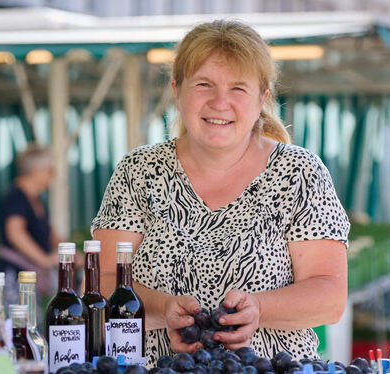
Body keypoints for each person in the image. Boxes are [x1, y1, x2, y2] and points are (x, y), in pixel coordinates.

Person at [91, 20, 350, 363]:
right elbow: (101, 282)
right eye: (204, 84)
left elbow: (330, 297)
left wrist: (259, 308)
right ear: (177, 91)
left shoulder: (300, 173)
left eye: (238, 89)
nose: (219, 102)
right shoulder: (138, 171)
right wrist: (161, 309)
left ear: (262, 99)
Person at [0, 144, 62, 303]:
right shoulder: (16, 197)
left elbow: (51, 234)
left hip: (30, 280)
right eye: (50, 170)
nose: (53, 175)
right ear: (35, 169)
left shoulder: (38, 200)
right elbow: (15, 233)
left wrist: (70, 253)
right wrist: (44, 259)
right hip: (15, 277)